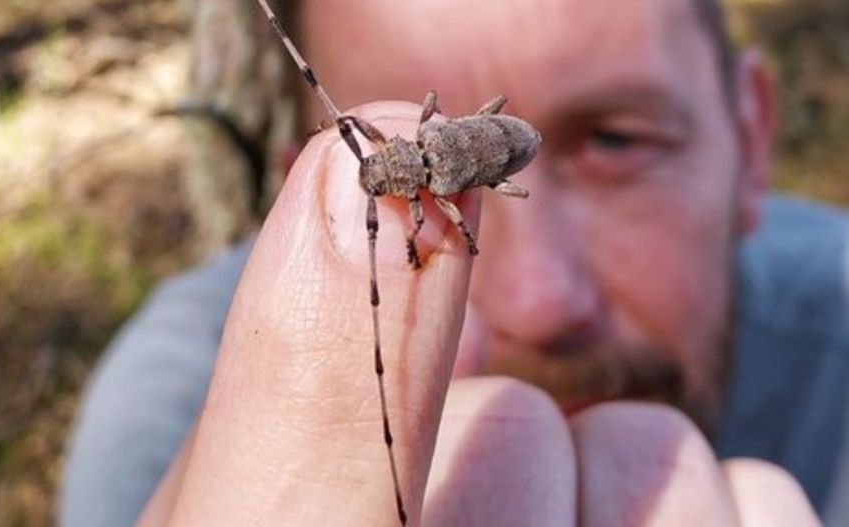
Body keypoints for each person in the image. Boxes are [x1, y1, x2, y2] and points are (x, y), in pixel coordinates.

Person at [59, 0, 849, 525]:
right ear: (294, 173)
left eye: (617, 138)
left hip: (493, 146)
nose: (541, 303)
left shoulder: (434, 183)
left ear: (752, 135)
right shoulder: (155, 412)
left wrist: (436, 236)